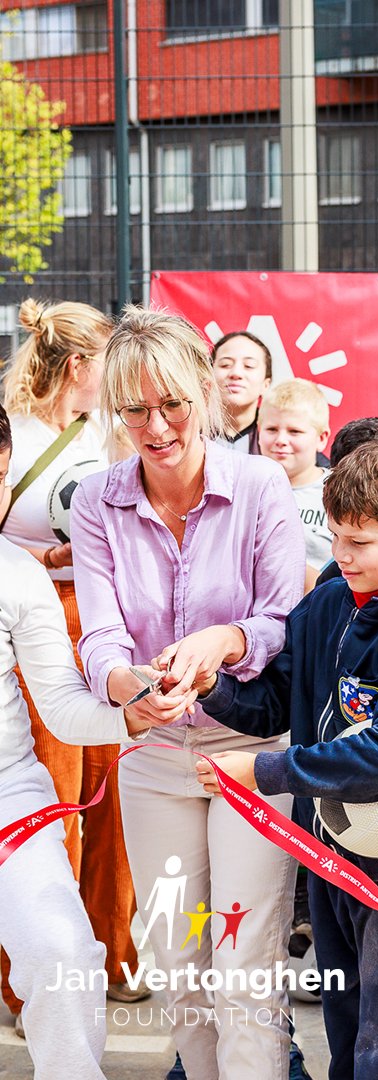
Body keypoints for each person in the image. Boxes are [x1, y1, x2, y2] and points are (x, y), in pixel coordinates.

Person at [191, 441, 378, 1080]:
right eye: (334, 538)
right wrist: (210, 687)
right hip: (326, 848)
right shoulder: (330, 598)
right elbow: (276, 703)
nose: (341, 556)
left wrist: (264, 772)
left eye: (359, 542)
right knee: (347, 1018)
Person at [70, 307, 306, 1080]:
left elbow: (282, 620)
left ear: (204, 391)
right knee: (179, 970)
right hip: (152, 755)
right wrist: (123, 688)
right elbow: (100, 636)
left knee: (245, 967)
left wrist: (223, 642)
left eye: (170, 403)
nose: (156, 425)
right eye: (134, 409)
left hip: (248, 756)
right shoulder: (96, 500)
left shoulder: (262, 483)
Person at [0, 402, 177, 1079]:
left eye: (0, 477)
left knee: (66, 951)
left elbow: (62, 707)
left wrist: (127, 713)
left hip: (11, 791)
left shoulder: (18, 574)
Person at [0, 298, 144, 1024]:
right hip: (35, 619)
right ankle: (28, 976)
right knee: (49, 800)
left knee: (113, 792)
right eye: (107, 364)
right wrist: (45, 558)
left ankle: (114, 953)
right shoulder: (15, 439)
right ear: (82, 365)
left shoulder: (108, 436)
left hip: (103, 623)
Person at [258, 378, 333, 591]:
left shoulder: (337, 493)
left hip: (319, 610)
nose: (281, 440)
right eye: (272, 429)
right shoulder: (242, 490)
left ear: (321, 438)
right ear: (259, 431)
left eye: (295, 432)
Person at [211, 330, 273, 453]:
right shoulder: (191, 431)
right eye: (225, 364)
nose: (236, 373)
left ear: (266, 384)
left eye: (249, 366)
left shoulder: (279, 438)